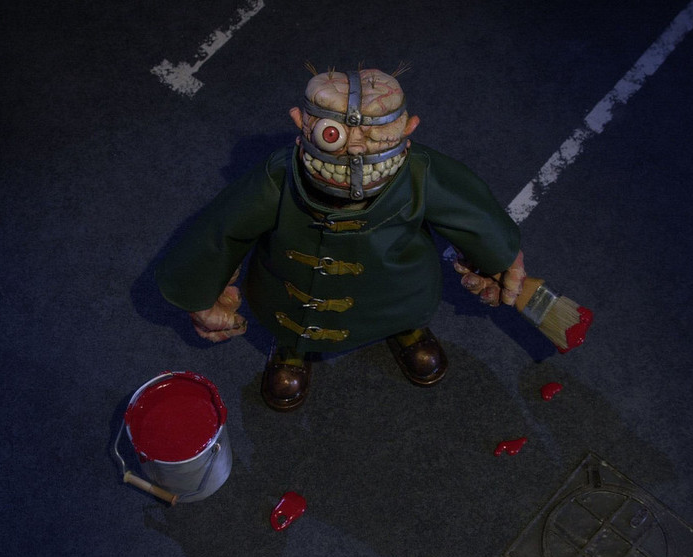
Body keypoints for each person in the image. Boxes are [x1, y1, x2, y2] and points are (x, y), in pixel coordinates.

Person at [157, 66, 526, 411]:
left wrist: (499, 257)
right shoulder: (279, 178)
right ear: (301, 124)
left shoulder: (420, 174)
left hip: (400, 289)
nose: (356, 150)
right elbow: (223, 228)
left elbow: (472, 212)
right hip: (295, 296)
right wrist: (200, 291)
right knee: (292, 324)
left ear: (408, 128)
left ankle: (407, 329)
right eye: (333, 134)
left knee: (405, 310)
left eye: (376, 134)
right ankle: (293, 347)